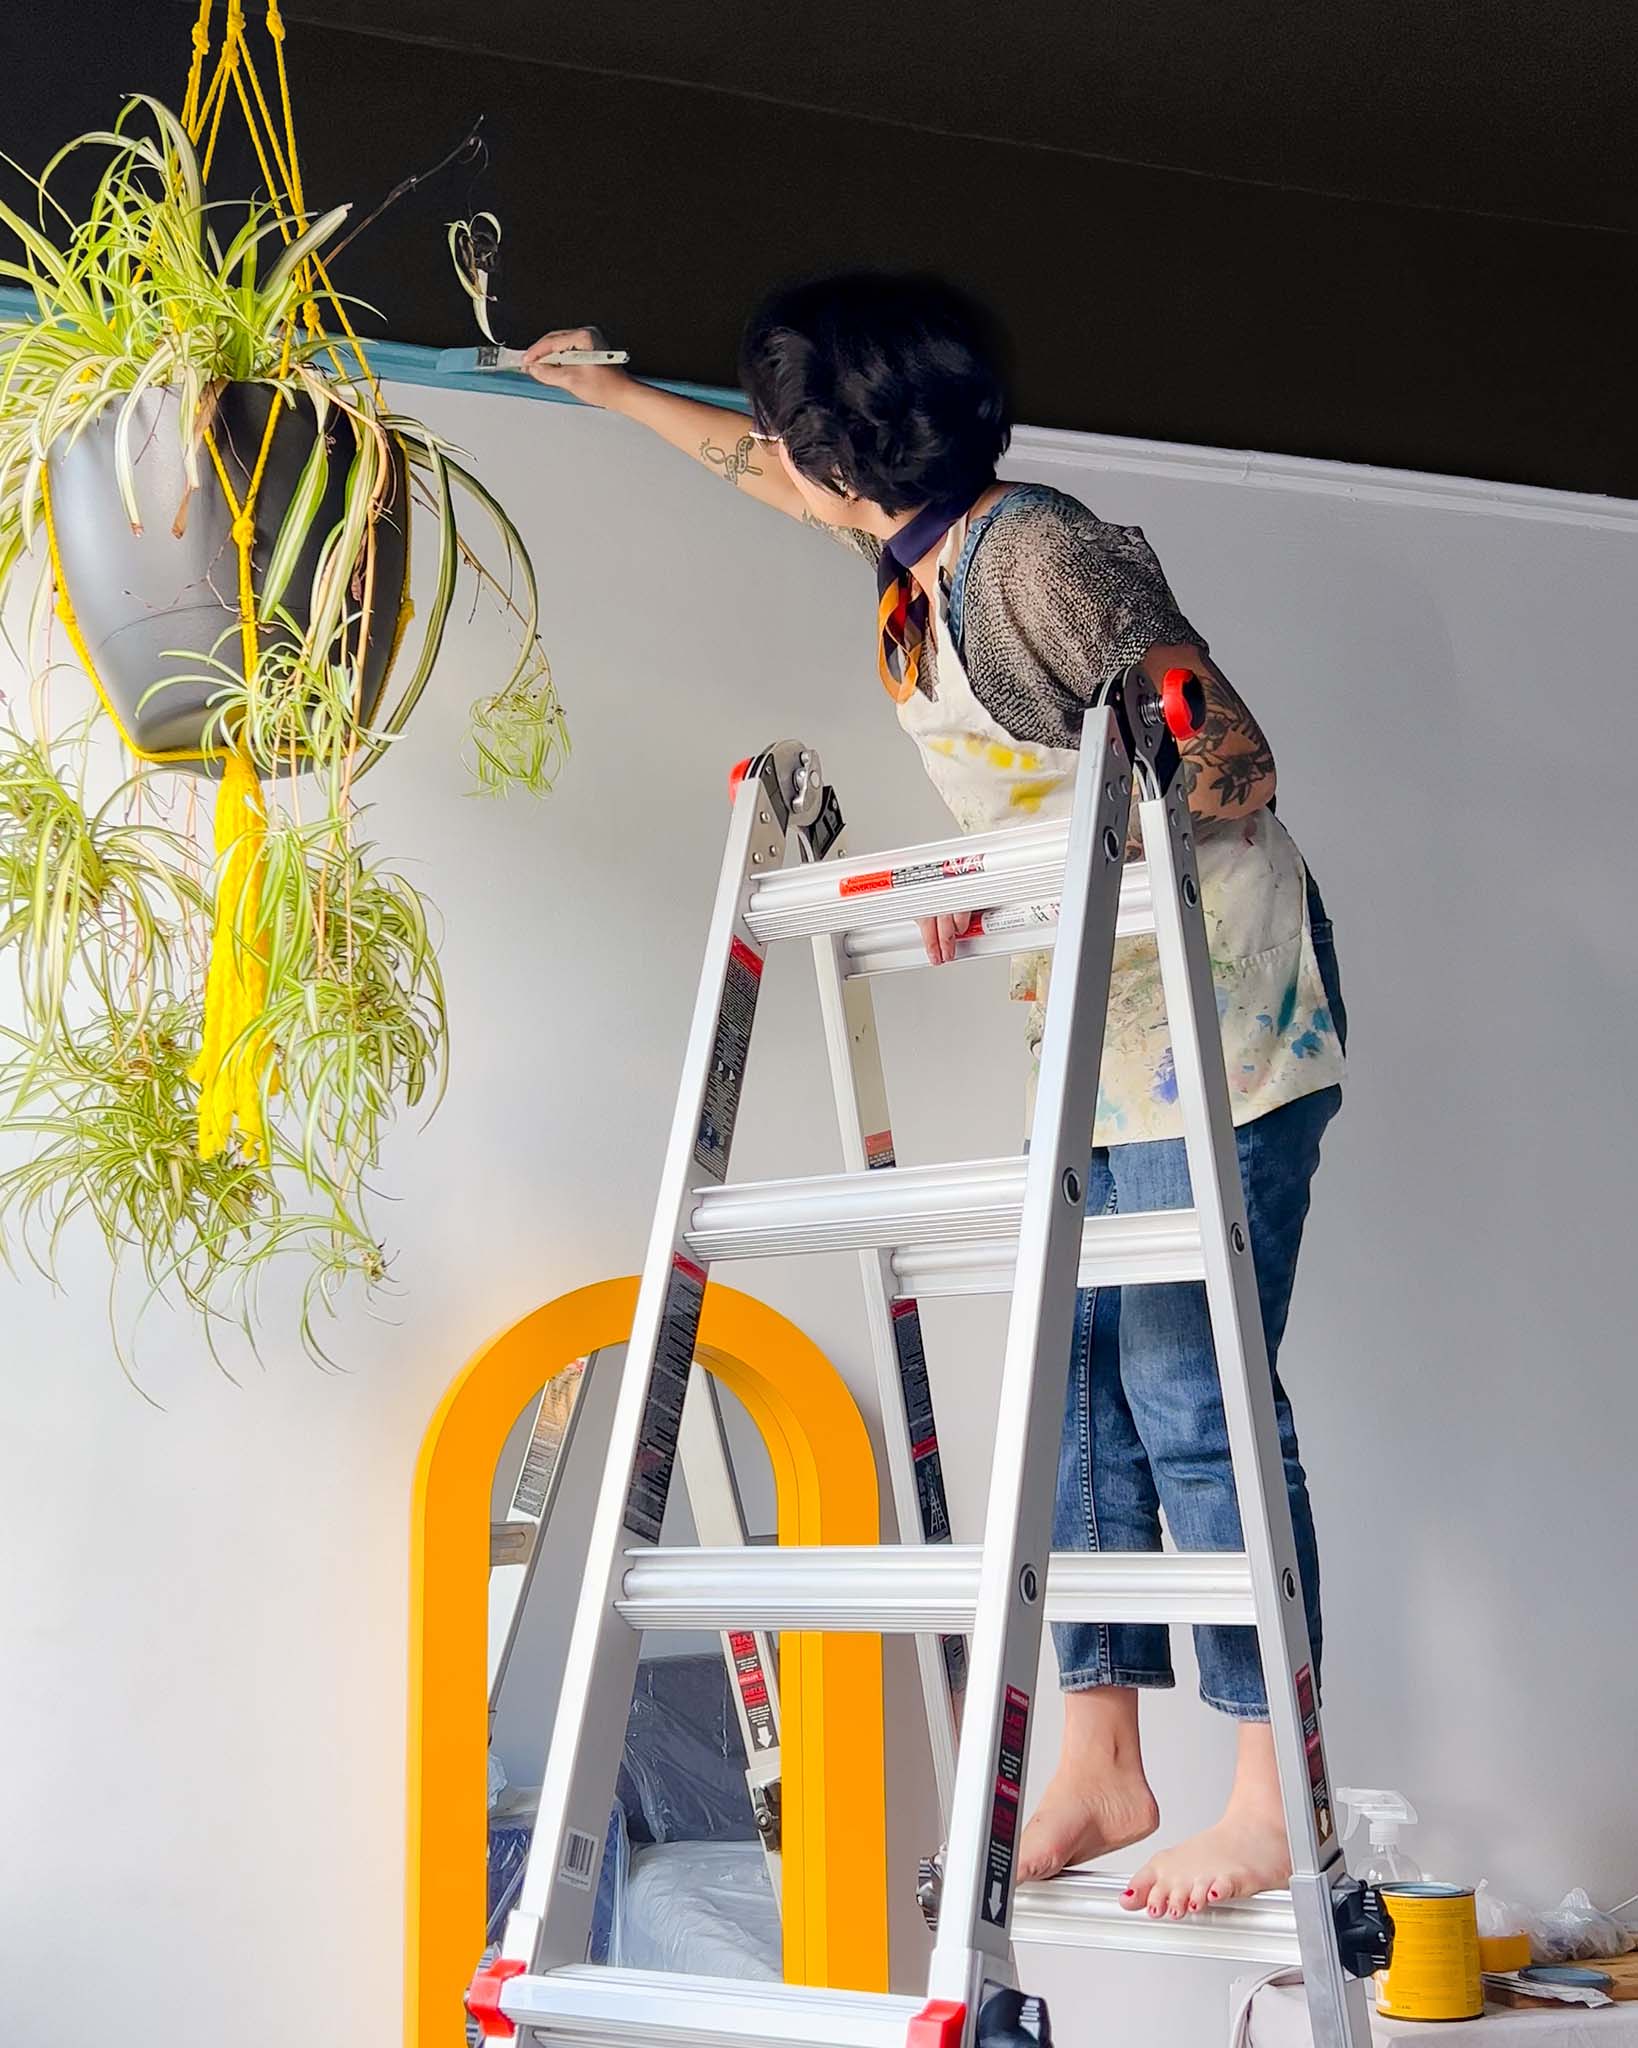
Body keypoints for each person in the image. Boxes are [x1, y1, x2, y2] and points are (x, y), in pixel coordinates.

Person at [523, 274, 1348, 1921]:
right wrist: (601, 395)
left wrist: (1031, 864)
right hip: (1097, 1032)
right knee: (1079, 1399)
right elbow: (756, 475)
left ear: (845, 449)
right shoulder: (911, 548)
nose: (772, 458)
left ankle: (1274, 1792)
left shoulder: (1033, 555)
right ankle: (1102, 1759)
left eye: (786, 430)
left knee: (1192, 1394)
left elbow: (1227, 758)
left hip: (1218, 1018)